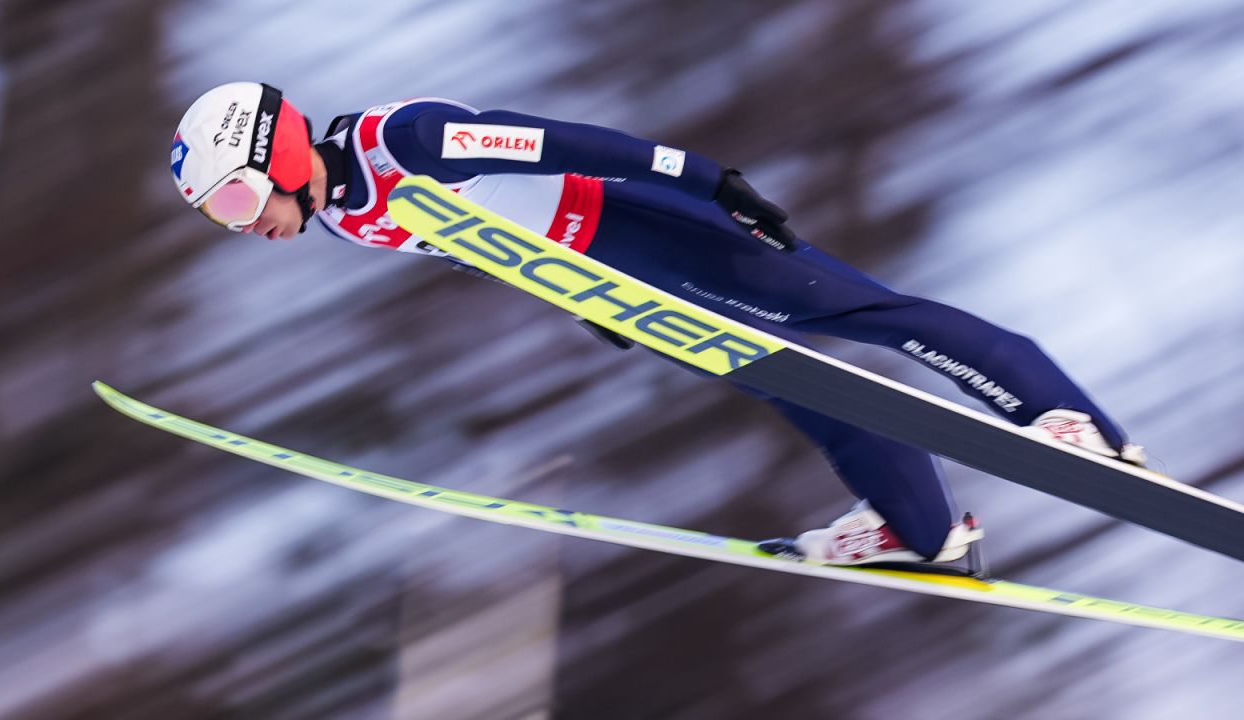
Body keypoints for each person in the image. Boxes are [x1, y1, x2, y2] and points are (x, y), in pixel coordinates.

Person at [170, 82, 1145, 568]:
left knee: (854, 312)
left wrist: (705, 179)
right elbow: (484, 241)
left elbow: (561, 146)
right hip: (599, 267)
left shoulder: (402, 142)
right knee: (790, 379)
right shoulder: (342, 215)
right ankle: (923, 530)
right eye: (220, 218)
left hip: (642, 222)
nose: (245, 223)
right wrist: (583, 303)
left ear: (283, 147)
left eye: (242, 195)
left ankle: (1065, 419)